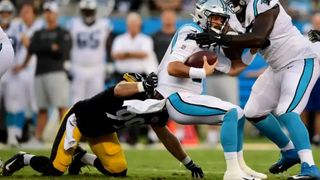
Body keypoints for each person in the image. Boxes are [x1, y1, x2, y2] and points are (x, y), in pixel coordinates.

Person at [190, 0, 320, 179]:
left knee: (287, 111)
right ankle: (289, 151)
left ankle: (310, 167)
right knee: (253, 111)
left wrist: (221, 38)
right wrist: (218, 37)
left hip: (300, 60)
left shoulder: (261, 3)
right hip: (276, 67)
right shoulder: (234, 16)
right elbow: (236, 55)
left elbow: (258, 37)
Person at [2, 72, 204, 179]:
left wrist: (188, 163)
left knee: (118, 171)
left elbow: (166, 137)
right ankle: (23, 158)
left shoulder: (160, 107)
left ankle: (81, 157)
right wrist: (142, 86)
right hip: (79, 120)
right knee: (56, 169)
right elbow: (118, 89)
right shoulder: (134, 87)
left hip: (102, 131)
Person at [156, 0, 265, 179]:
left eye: (222, 20)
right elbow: (173, 67)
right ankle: (232, 172)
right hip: (176, 97)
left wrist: (253, 50)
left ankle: (241, 167)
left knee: (238, 113)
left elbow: (233, 69)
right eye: (216, 19)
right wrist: (201, 72)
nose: (220, 24)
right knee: (230, 112)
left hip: (188, 96)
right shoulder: (190, 31)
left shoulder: (209, 40)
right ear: (203, 15)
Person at [13, 1, 72, 146]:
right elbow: (32, 49)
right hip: (40, 73)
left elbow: (62, 52)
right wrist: (50, 47)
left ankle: (67, 136)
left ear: (56, 13)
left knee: (61, 107)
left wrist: (40, 47)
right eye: (46, 12)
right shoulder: (39, 33)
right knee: (42, 109)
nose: (48, 14)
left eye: (50, 11)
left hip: (57, 72)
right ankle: (37, 138)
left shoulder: (62, 32)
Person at [68, 0, 113, 104]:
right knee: (76, 99)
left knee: (97, 99)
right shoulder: (73, 24)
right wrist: (67, 64)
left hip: (97, 68)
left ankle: (94, 120)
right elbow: (68, 44)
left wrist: (110, 65)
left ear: (95, 11)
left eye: (90, 11)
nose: (87, 14)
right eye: (85, 11)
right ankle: (77, 120)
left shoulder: (103, 25)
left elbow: (108, 45)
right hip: (78, 67)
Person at [0, 1, 14, 78]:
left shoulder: (18, 27)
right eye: (3, 13)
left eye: (7, 13)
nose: (5, 15)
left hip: (14, 71)